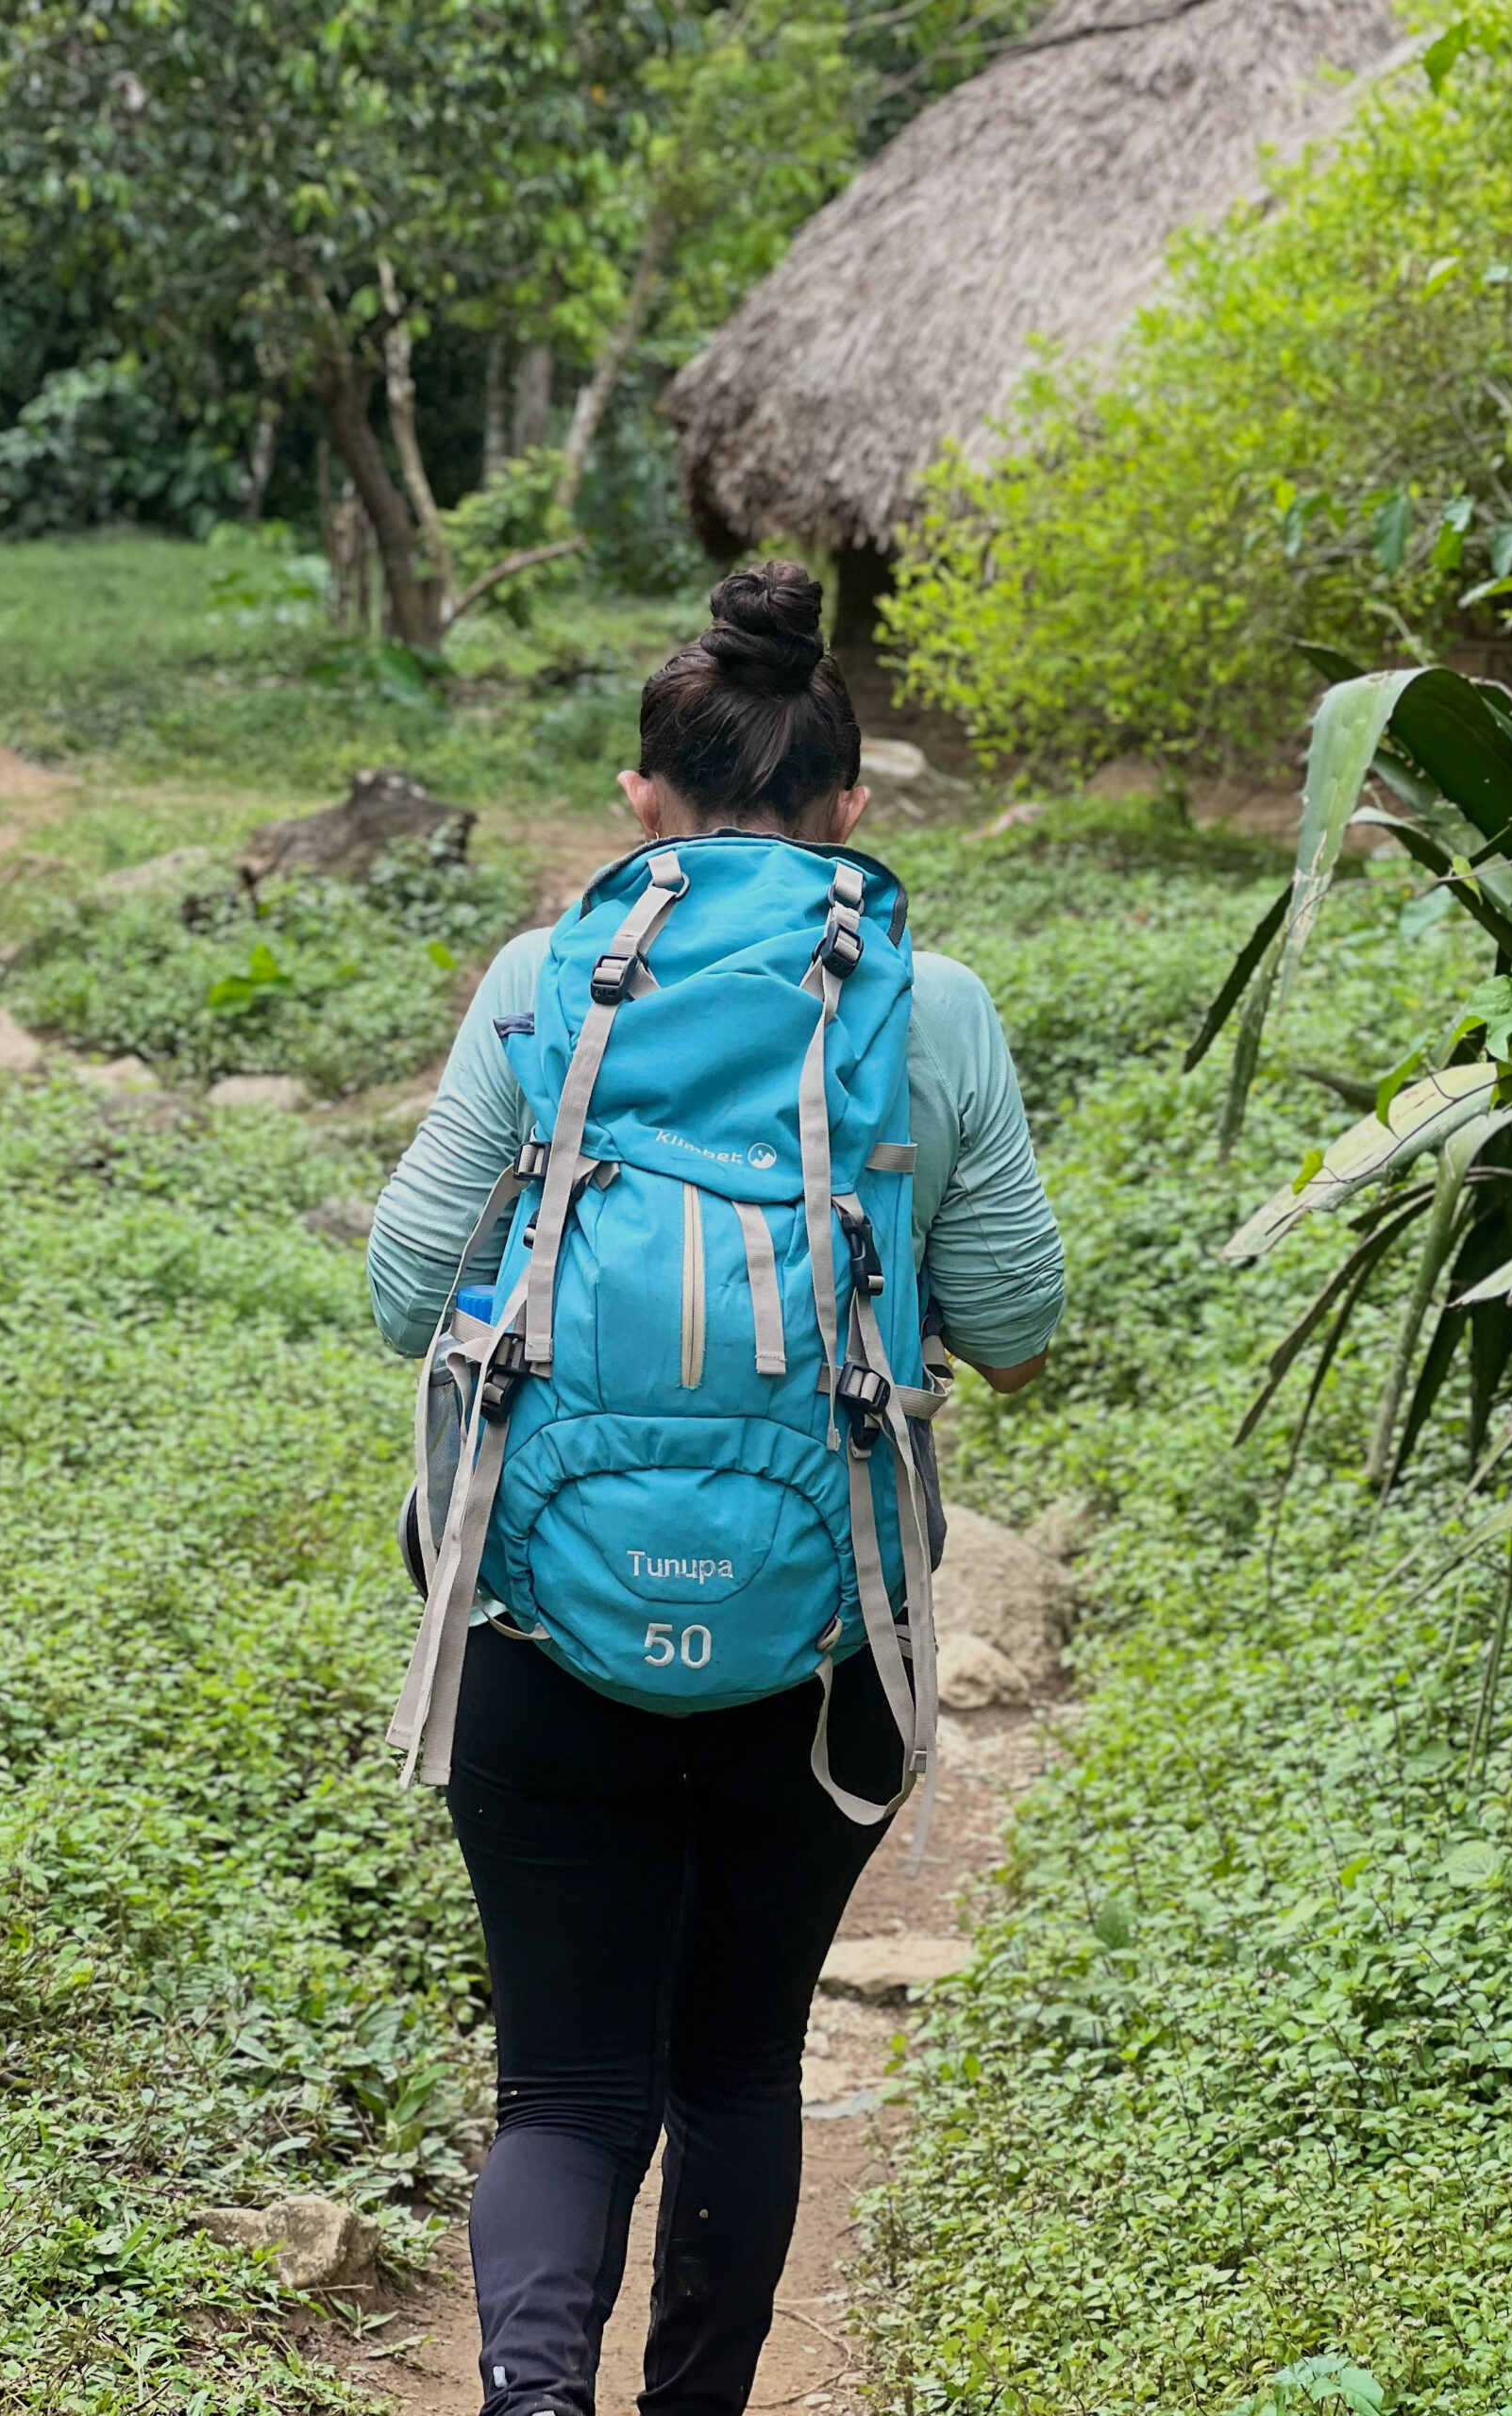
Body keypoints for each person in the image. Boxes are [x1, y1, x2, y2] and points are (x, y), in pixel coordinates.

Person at [366, 561, 1064, 2416]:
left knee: (565, 2088)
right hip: (826, 1644)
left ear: (640, 802)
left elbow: (401, 1291)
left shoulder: (545, 979)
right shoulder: (934, 1007)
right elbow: (1016, 1325)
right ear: (853, 806)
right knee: (737, 2069)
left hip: (536, 1621)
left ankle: (529, 2390)